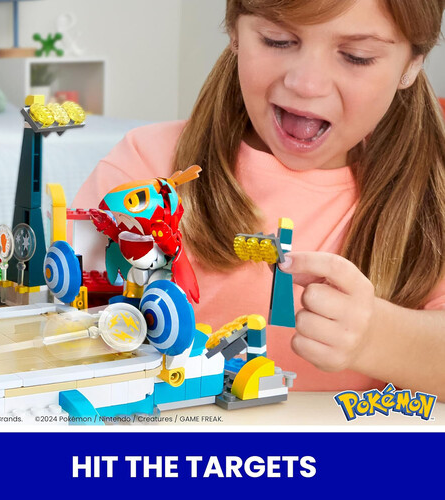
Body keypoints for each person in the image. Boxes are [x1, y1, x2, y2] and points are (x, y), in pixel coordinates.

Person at [74, 0, 445, 399]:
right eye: (278, 40)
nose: (306, 84)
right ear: (235, 31)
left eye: (357, 56)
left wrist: (375, 337)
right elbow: (64, 333)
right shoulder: (143, 176)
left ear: (412, 63)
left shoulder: (434, 202)